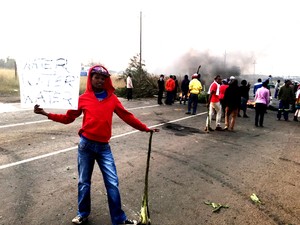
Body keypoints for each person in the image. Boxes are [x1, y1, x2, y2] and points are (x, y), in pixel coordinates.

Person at [33, 65, 159, 225]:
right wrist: (46, 114)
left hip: (103, 148)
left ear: (106, 80)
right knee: (84, 182)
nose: (100, 80)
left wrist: (144, 128)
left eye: (103, 78)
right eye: (96, 77)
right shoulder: (83, 99)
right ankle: (82, 213)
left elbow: (127, 116)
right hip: (85, 146)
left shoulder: (112, 99)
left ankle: (119, 220)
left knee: (112, 182)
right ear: (90, 79)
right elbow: (68, 118)